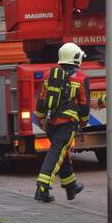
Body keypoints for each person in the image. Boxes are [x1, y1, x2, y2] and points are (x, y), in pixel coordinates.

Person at [34, 42, 90, 203]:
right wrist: (84, 121)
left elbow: (41, 99)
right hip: (67, 123)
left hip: (51, 122)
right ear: (76, 58)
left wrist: (40, 118)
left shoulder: (49, 75)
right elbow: (84, 103)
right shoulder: (82, 77)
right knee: (56, 153)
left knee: (61, 153)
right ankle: (42, 188)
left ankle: (71, 185)